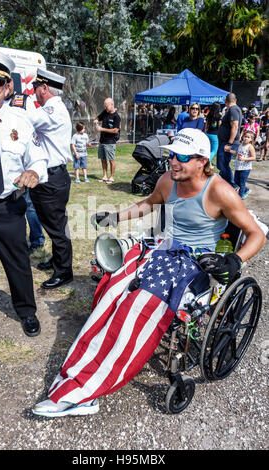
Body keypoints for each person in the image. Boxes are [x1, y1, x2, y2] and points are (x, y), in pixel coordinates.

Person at [32, 128, 266, 418]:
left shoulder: (220, 191)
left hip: (195, 264)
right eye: (171, 155)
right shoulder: (168, 180)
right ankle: (86, 362)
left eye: (181, 156)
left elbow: (256, 233)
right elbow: (148, 203)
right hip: (161, 249)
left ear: (202, 160)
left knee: (137, 305)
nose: (173, 162)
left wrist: (235, 259)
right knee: (112, 286)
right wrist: (115, 217)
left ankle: (84, 391)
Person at [0, 48, 48, 337]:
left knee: (18, 264)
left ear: (8, 86)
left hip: (8, 207)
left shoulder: (21, 122)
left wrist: (34, 172)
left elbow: (39, 158)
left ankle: (26, 311)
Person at [28, 68, 74, 290]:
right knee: (53, 224)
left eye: (35, 88)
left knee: (57, 227)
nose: (33, 92)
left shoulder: (52, 109)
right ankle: (58, 261)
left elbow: (29, 118)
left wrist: (17, 95)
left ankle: (64, 272)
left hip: (52, 178)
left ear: (44, 88)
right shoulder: (52, 108)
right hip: (51, 177)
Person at [4, 78, 46, 252]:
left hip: (23, 162)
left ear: (11, 82)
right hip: (5, 163)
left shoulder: (23, 100)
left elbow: (36, 125)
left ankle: (36, 239)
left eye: (6, 82)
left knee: (28, 204)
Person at [217, 93, 242, 189]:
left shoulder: (233, 109)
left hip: (227, 143)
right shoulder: (233, 109)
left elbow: (235, 127)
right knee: (223, 164)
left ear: (225, 101)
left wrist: (229, 143)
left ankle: (233, 185)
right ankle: (227, 185)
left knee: (223, 164)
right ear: (236, 100)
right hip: (226, 142)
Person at [93, 98, 121, 185]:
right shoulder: (105, 112)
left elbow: (115, 130)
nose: (105, 107)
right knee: (103, 159)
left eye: (106, 106)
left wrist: (101, 129)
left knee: (111, 160)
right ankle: (104, 176)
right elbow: (98, 118)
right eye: (104, 106)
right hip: (102, 141)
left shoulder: (116, 116)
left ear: (112, 104)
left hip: (110, 141)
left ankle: (112, 177)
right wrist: (96, 120)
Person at [230, 131, 256, 200]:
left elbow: (253, 157)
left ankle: (240, 197)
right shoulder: (240, 145)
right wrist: (229, 151)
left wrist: (244, 158)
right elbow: (237, 152)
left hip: (245, 168)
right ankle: (246, 190)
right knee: (236, 181)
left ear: (251, 139)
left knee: (242, 182)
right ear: (242, 137)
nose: (246, 138)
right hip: (238, 166)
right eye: (245, 136)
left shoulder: (250, 147)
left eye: (248, 137)